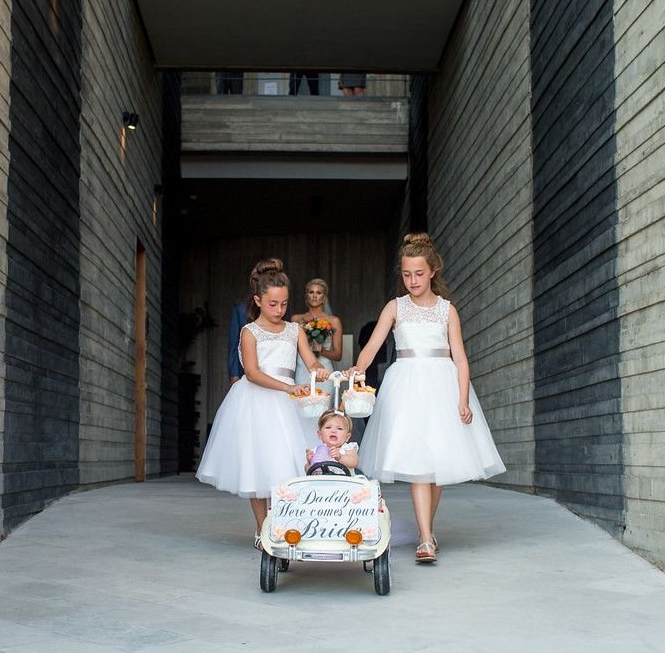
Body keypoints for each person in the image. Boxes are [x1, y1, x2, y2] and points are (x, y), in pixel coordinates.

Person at [349, 233, 506, 564]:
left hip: (442, 385)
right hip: (406, 385)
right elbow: (372, 347)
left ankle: (427, 530)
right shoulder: (395, 307)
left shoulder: (447, 311)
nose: (412, 281)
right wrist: (356, 372)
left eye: (419, 274)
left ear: (433, 270)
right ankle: (425, 538)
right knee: (420, 466)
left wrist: (463, 400)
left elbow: (461, 359)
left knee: (435, 468)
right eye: (406, 274)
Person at [197, 259, 329, 548]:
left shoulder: (294, 330)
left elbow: (309, 360)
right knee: (257, 464)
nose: (279, 310)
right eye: (272, 304)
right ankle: (263, 528)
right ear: (258, 300)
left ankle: (286, 522)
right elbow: (253, 373)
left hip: (288, 404)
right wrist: (288, 388)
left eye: (283, 304)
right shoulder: (249, 332)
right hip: (256, 400)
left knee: (287, 463)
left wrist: (318, 369)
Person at [292, 278, 343, 443]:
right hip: (302, 370)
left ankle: (323, 451)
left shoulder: (333, 321)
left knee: (323, 413)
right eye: (311, 292)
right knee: (301, 410)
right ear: (306, 296)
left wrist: (322, 350)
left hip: (324, 371)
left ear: (324, 297)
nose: (314, 296)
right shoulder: (296, 320)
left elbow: (338, 354)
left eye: (318, 293)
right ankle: (303, 450)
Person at [227, 301, 247, 384]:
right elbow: (234, 343)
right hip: (244, 373)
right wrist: (234, 374)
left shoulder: (279, 308)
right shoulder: (240, 310)